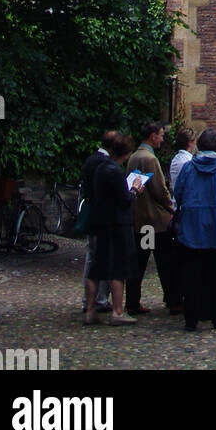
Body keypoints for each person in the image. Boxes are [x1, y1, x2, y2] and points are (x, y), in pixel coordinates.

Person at [172, 128, 216, 331]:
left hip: (192, 227)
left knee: (192, 274)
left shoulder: (188, 168)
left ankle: (192, 318)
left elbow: (179, 193)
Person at [84, 134, 142, 325]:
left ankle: (90, 310)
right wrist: (134, 189)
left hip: (100, 222)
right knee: (118, 269)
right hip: (117, 224)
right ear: (125, 153)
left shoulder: (100, 167)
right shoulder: (114, 171)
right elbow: (124, 200)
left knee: (97, 268)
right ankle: (117, 311)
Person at [125, 121, 181, 317]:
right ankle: (174, 301)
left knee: (139, 262)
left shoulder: (134, 157)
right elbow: (159, 190)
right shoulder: (150, 159)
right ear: (152, 136)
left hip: (140, 220)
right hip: (154, 223)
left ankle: (132, 301)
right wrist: (171, 208)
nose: (162, 138)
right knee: (166, 263)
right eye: (160, 135)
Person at [80, 129, 116, 314]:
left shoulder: (91, 159)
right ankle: (99, 299)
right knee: (101, 258)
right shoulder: (104, 163)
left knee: (92, 257)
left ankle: (90, 299)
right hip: (102, 216)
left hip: (93, 215)